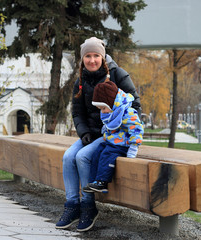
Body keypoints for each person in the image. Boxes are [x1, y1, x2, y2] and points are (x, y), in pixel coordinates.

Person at [55, 36, 141, 232]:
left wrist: (124, 129)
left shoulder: (118, 75)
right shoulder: (81, 79)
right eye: (88, 56)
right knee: (68, 156)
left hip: (112, 133)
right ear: (82, 58)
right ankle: (72, 205)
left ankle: (88, 206)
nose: (92, 60)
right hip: (90, 134)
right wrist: (83, 131)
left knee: (82, 156)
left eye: (96, 56)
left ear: (103, 58)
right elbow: (77, 112)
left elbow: (135, 104)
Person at [83, 80, 144, 193]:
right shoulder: (112, 111)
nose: (102, 112)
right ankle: (94, 181)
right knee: (97, 153)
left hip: (122, 145)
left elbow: (137, 130)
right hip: (112, 142)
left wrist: (133, 148)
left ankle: (102, 182)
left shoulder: (127, 113)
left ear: (111, 103)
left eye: (103, 108)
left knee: (107, 154)